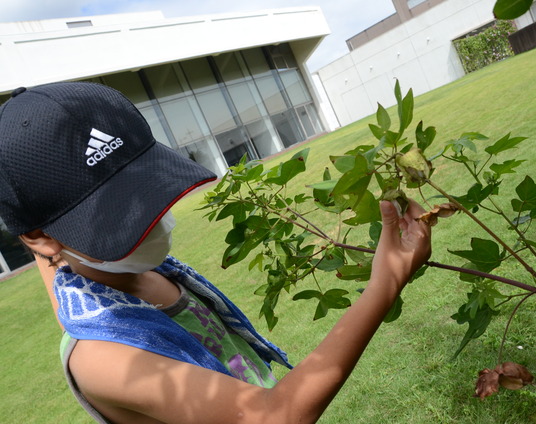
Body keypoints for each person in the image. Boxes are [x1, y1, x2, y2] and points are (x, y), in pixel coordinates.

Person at [0, 82, 432, 424]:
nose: (154, 221)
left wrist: (45, 243)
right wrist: (385, 283)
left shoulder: (120, 283)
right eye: (121, 218)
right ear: (41, 236)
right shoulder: (103, 356)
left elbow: (56, 273)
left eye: (152, 196)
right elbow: (278, 417)